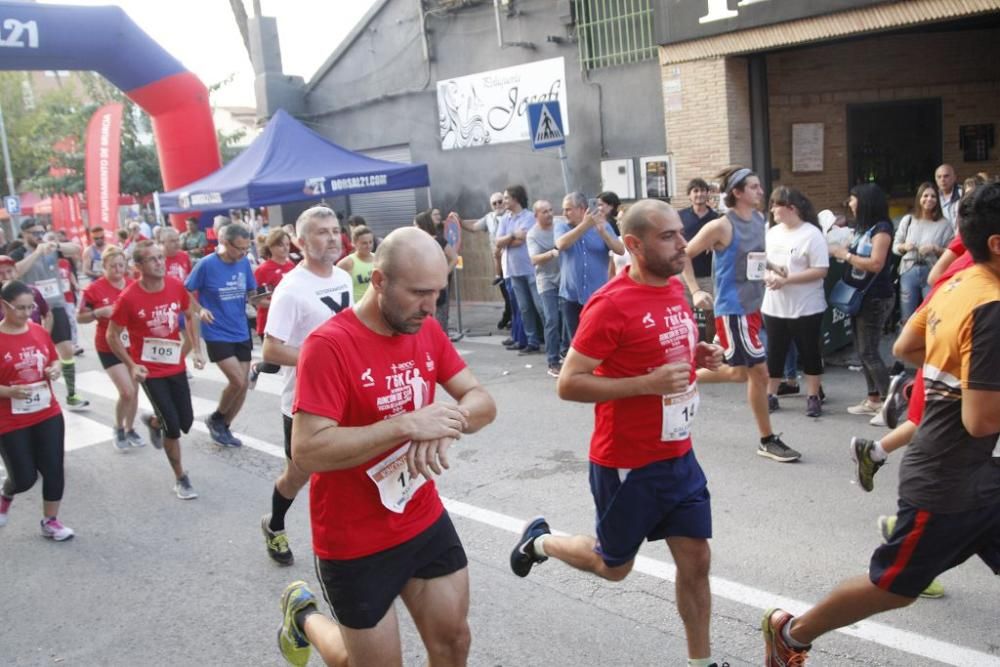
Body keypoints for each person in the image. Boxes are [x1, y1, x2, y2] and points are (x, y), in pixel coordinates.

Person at [762, 181, 1000, 667]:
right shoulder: (992, 305)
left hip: (979, 478)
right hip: (951, 484)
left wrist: (958, 373)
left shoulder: (959, 281)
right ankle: (792, 632)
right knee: (893, 587)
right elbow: (980, 421)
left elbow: (907, 348)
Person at [510, 199, 725, 667]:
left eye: (680, 234)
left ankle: (701, 663)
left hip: (678, 454)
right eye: (667, 236)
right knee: (613, 567)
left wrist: (698, 356)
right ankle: (540, 541)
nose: (682, 243)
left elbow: (663, 354)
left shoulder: (672, 289)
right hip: (629, 462)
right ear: (633, 244)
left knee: (697, 559)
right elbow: (569, 383)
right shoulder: (610, 305)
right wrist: (646, 384)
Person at [275, 226, 496, 667]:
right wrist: (405, 425)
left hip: (420, 515)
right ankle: (304, 618)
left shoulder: (426, 329)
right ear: (378, 282)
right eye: (418, 293)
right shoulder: (329, 346)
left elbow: (482, 401)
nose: (431, 306)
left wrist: (445, 422)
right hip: (354, 538)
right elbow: (309, 450)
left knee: (454, 643)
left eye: (437, 292)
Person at [682, 167, 800, 462]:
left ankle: (681, 378)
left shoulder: (759, 219)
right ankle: (767, 439)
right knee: (759, 372)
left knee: (738, 373)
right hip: (733, 310)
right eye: (754, 187)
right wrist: (695, 290)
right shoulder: (721, 226)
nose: (761, 192)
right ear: (737, 193)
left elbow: (752, 255)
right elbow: (683, 254)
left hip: (753, 306)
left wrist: (772, 267)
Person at [260, 206, 353, 566]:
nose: (331, 238)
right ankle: (275, 524)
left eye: (334, 230)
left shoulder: (342, 277)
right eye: (321, 232)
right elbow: (271, 347)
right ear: (301, 241)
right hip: (304, 403)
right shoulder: (291, 289)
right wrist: (319, 362)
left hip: (346, 395)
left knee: (347, 471)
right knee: (299, 476)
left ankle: (346, 546)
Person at [107, 240, 206, 499]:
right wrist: (132, 365)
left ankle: (153, 422)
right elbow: (112, 336)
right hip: (150, 372)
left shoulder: (175, 286)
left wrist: (195, 348)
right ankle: (181, 478)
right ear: (138, 266)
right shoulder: (128, 298)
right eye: (152, 259)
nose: (160, 263)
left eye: (161, 258)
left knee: (185, 422)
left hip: (175, 366)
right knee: (173, 429)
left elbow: (189, 314)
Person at [0, 280, 73, 540]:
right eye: (20, 308)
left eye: (30, 307)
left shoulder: (39, 330)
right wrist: (8, 392)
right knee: (24, 478)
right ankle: (6, 494)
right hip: (9, 419)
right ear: (4, 305)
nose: (26, 313)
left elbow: (51, 357)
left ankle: (50, 521)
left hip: (46, 411)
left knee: (54, 468)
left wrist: (54, 368)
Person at [185, 222, 262, 447]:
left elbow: (251, 293)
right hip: (217, 331)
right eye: (239, 248)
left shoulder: (244, 264)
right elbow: (185, 291)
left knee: (244, 384)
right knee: (237, 381)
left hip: (240, 329)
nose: (243, 253)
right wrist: (200, 309)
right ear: (225, 243)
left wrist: (263, 298)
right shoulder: (206, 265)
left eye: (246, 248)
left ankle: (224, 426)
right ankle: (216, 418)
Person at [829, 183, 895, 425]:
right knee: (862, 350)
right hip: (861, 297)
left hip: (876, 297)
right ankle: (873, 399)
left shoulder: (882, 229)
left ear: (866, 201)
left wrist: (845, 255)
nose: (850, 202)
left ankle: (891, 403)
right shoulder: (863, 228)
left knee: (869, 351)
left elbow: (876, 263)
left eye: (853, 198)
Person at [761, 187, 829, 417]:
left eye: (776, 205)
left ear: (792, 208)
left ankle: (813, 396)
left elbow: (820, 270)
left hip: (806, 306)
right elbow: (761, 262)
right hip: (774, 305)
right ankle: (770, 395)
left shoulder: (812, 234)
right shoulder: (771, 232)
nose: (772, 210)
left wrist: (786, 279)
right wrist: (767, 277)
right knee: (775, 352)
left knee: (809, 351)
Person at [10, 218, 89, 411]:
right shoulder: (19, 253)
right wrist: (36, 253)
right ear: (24, 234)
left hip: (56, 305)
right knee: (33, 355)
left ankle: (71, 394)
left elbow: (76, 249)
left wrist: (56, 244)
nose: (38, 237)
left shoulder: (51, 248)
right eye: (34, 233)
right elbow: (16, 271)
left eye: (40, 232)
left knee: (66, 350)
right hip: (31, 309)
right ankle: (35, 395)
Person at [78, 247, 142, 450]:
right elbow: (80, 317)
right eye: (112, 266)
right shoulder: (94, 289)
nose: (117, 269)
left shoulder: (133, 286)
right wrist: (99, 312)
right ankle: (118, 428)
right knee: (126, 391)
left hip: (133, 345)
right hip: (109, 346)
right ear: (104, 267)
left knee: (135, 391)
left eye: (121, 265)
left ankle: (130, 428)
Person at [556, 192, 625, 339]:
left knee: (598, 338)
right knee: (575, 341)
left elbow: (620, 250)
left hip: (597, 295)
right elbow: (561, 244)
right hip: (571, 296)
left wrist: (602, 232)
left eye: (568, 209)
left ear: (582, 209)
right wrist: (585, 225)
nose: (564, 213)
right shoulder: (562, 227)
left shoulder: (603, 225)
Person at [892, 182, 954, 324]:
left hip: (932, 272)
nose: (929, 199)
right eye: (925, 196)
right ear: (919, 198)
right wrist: (904, 247)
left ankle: (930, 345)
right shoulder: (908, 220)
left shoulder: (944, 224)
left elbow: (951, 253)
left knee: (932, 316)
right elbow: (895, 247)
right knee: (907, 318)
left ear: (937, 200)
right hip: (908, 270)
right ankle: (907, 345)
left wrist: (935, 248)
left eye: (933, 196)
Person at [495, 186, 546, 354]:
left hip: (529, 269)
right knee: (524, 308)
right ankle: (531, 341)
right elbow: (498, 242)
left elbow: (522, 239)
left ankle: (553, 339)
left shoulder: (529, 217)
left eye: (506, 198)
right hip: (513, 270)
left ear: (515, 199)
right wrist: (512, 236)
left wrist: (508, 239)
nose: (504, 201)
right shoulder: (504, 219)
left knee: (540, 307)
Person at [462, 192, 513, 329]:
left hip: (512, 260)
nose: (497, 205)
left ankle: (508, 317)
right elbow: (473, 228)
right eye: (494, 203)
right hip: (499, 262)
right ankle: (510, 317)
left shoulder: (511, 215)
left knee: (513, 294)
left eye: (500, 201)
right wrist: (458, 222)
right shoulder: (489, 218)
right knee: (506, 292)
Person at [526, 199, 565, 377]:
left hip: (564, 276)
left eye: (550, 210)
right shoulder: (532, 234)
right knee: (552, 319)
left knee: (568, 316)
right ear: (536, 216)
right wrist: (552, 252)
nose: (549, 214)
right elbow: (534, 259)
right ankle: (553, 361)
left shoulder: (559, 224)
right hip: (546, 280)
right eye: (545, 212)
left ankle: (566, 352)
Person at [678, 179, 718, 343]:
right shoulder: (680, 216)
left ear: (708, 193)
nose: (699, 194)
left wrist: (713, 243)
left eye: (702, 190)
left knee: (712, 316)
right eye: (695, 191)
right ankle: (688, 348)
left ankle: (710, 349)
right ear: (689, 195)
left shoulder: (717, 218)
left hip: (709, 275)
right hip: (685, 275)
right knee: (684, 315)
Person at [414, 209, 458, 333]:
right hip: (421, 287)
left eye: (415, 225)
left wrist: (444, 273)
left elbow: (454, 258)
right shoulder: (416, 243)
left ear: (422, 225)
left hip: (437, 287)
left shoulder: (439, 240)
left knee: (439, 323)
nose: (414, 227)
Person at [0, 255, 50, 327]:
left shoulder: (32, 292)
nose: (6, 277)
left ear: (16, 272)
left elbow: (48, 315)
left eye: (9, 271)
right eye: (0, 273)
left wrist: (43, 335)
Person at [336, 224, 375, 304]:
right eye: (364, 243)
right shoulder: (346, 263)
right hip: (357, 308)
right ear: (354, 243)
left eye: (370, 242)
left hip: (375, 307)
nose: (368, 246)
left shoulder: (378, 259)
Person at [934, 163, 962, 228]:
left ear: (954, 177)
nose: (942, 180)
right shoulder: (933, 197)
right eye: (939, 177)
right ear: (936, 179)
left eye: (946, 176)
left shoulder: (963, 194)